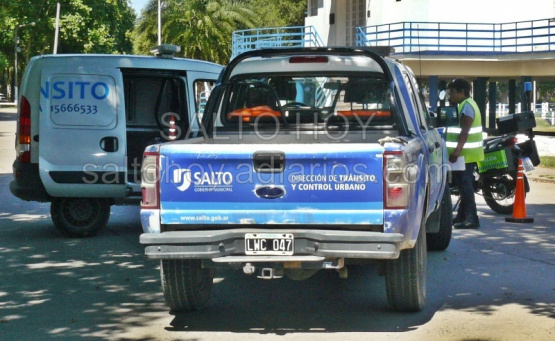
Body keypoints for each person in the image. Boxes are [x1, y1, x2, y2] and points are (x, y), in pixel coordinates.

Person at [446, 79, 485, 229]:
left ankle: (471, 218)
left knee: (465, 186)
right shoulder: (465, 104)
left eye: (453, 92)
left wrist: (457, 151)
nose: (451, 95)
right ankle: (462, 216)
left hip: (465, 154)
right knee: (463, 186)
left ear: (462, 92)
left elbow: (465, 131)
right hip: (465, 154)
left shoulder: (467, 106)